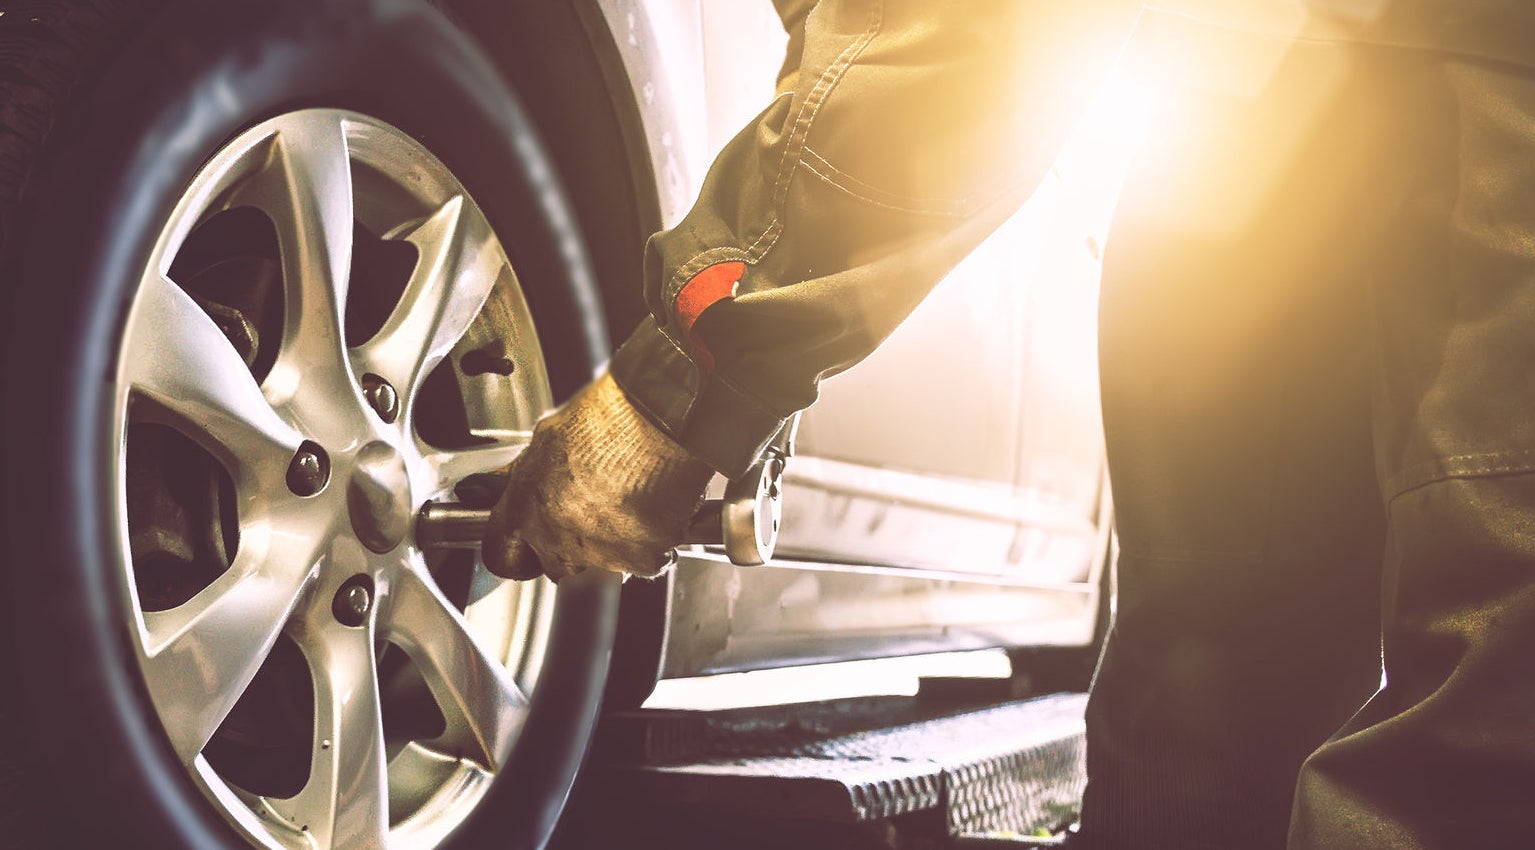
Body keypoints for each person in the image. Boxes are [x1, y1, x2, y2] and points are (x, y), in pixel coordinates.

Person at [480, 1, 1535, 848]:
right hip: (1256, 94)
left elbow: (960, 37)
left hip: (1456, 97)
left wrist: (676, 388)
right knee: (1216, 700)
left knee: (1472, 743)